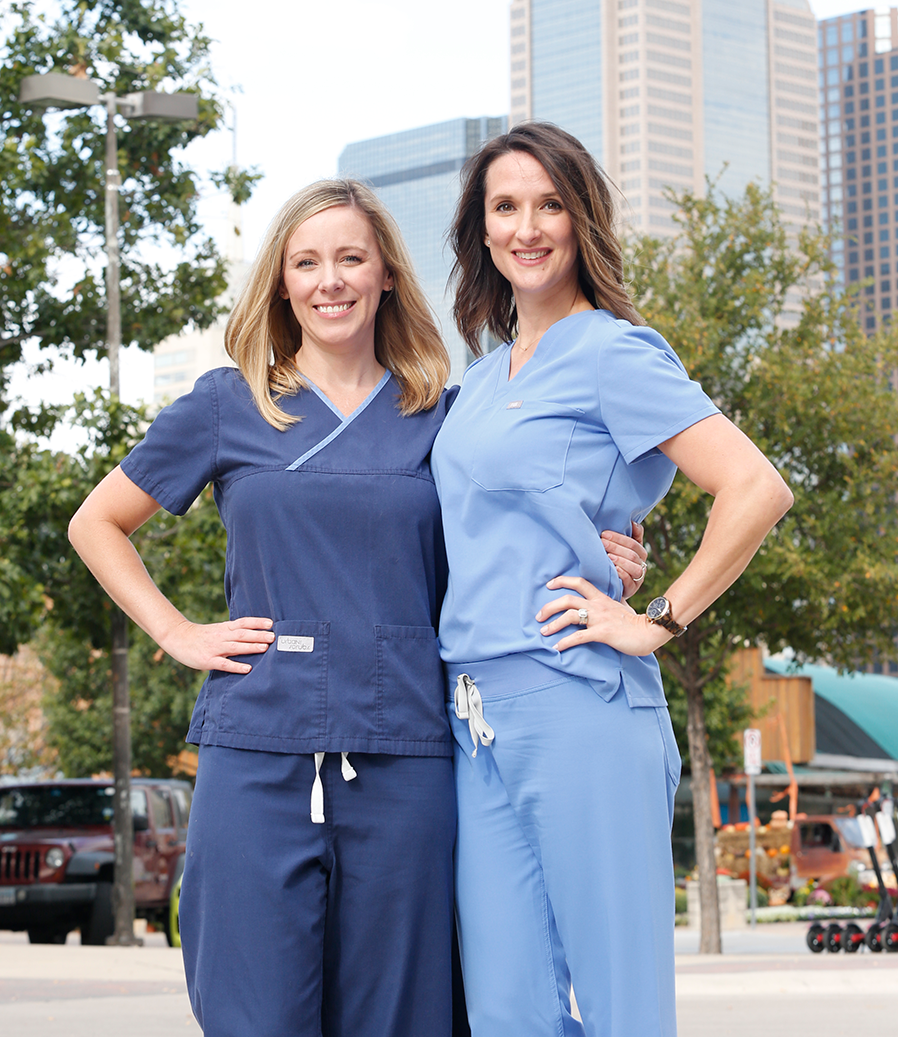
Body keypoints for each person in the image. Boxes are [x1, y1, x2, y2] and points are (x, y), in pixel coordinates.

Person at [68, 177, 648, 1037]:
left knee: (405, 1014)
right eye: (306, 262)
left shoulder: (442, 421)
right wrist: (175, 630)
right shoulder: (229, 404)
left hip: (406, 757)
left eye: (350, 258)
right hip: (257, 749)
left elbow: (508, 530)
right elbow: (97, 521)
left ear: (385, 277)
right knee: (251, 1013)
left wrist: (606, 559)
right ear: (282, 282)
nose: (328, 279)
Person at [431, 122, 794, 1037]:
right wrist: (597, 540)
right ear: (481, 230)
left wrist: (657, 619)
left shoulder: (615, 352)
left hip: (579, 703)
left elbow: (755, 487)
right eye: (505, 206)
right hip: (474, 718)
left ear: (581, 216)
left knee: (621, 1004)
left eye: (550, 203)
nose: (527, 226)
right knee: (507, 1009)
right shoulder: (474, 382)